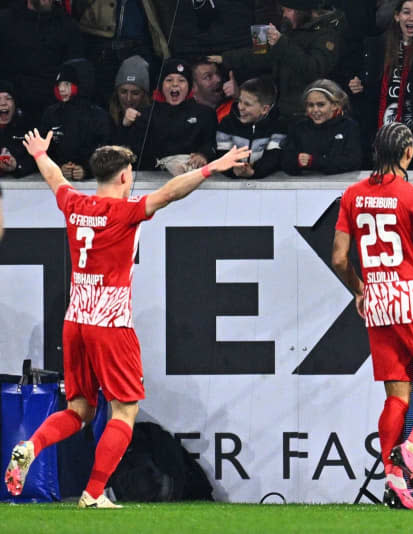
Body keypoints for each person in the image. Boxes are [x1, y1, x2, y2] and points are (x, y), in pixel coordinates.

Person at [3, 128, 250, 508]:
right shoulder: (125, 212)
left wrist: (39, 154)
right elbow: (170, 192)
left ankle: (30, 445)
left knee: (79, 408)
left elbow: (55, 177)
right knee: (125, 410)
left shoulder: (75, 205)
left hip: (75, 322)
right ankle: (95, 493)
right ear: (124, 176)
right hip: (110, 323)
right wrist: (213, 167)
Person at [332, 122, 413, 511]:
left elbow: (339, 258)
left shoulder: (353, 195)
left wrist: (360, 288)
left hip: (376, 299)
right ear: (408, 153)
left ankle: (393, 484)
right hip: (410, 296)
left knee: (396, 393)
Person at [215, 0, 345, 124]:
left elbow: (314, 69)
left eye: (288, 10)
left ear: (300, 11)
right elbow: (261, 54)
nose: (284, 15)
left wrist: (282, 43)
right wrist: (225, 58)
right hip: (281, 109)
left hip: (308, 113)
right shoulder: (284, 27)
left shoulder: (327, 33)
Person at [348, 0, 413, 170]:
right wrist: (359, 86)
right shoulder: (377, 46)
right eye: (406, 12)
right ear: (397, 16)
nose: (411, 17)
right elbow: (368, 86)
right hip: (380, 138)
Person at [117, 58, 217, 175]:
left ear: (189, 86)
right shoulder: (146, 115)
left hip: (193, 180)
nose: (175, 84)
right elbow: (128, 152)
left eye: (181, 80)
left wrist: (203, 155)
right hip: (152, 182)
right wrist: (125, 126)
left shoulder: (205, 114)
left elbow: (210, 144)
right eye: (169, 80)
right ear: (161, 85)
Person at [0, 0, 84, 124]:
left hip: (50, 111)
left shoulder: (69, 28)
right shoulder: (5, 21)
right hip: (8, 107)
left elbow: (73, 77)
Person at [40, 58, 113, 181]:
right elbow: (43, 151)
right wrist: (58, 168)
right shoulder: (51, 114)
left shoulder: (98, 116)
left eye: (67, 84)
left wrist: (87, 170)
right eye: (59, 84)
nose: (61, 89)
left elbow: (106, 152)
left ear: (82, 84)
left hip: (92, 187)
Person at [281, 79, 362, 175]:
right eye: (310, 105)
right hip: (304, 186)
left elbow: (353, 161)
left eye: (321, 105)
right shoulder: (299, 128)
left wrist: (314, 162)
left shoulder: (349, 127)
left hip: (340, 186)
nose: (315, 110)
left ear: (335, 105)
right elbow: (285, 161)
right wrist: (297, 162)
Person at [216, 77, 286, 179]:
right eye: (240, 101)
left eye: (247, 104)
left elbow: (274, 158)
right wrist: (233, 169)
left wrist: (253, 172)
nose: (240, 107)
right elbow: (221, 153)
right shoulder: (227, 123)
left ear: (264, 109)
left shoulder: (279, 126)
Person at [0, 81, 35, 177]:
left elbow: (36, 160)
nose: (3, 103)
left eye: (8, 98)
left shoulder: (26, 129)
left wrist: (16, 165)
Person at [108, 55, 152, 132]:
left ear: (144, 95)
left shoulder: (152, 122)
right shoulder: (106, 121)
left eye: (135, 93)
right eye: (123, 92)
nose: (128, 99)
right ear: (116, 92)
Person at [191, 57, 238, 122]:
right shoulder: (186, 115)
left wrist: (238, 97)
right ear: (193, 87)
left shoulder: (235, 107)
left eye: (218, 73)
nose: (218, 80)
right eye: (208, 77)